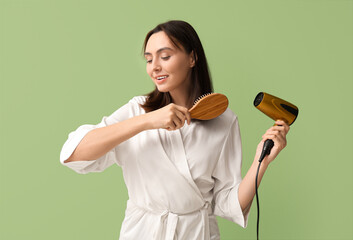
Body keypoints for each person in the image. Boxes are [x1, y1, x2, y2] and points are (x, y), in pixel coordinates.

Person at [60, 20, 290, 240]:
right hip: (142, 233)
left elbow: (229, 203)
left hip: (197, 233)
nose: (154, 67)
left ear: (192, 57)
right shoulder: (137, 110)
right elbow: (74, 153)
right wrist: (147, 121)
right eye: (149, 59)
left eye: (165, 56)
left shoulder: (223, 121)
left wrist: (262, 161)